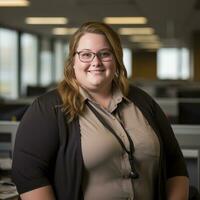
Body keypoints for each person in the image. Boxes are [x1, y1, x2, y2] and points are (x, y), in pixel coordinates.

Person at [12, 21, 189, 200]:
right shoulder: (48, 108)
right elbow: (28, 174)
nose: (96, 62)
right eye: (86, 55)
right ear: (73, 61)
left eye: (105, 54)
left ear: (116, 59)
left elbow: (175, 163)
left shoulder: (143, 102)